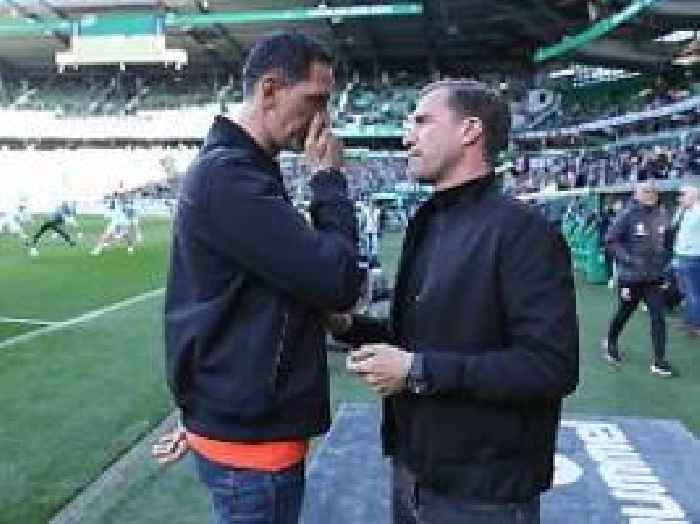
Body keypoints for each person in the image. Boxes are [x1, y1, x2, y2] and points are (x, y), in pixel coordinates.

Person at [332, 79, 579, 524]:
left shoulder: (522, 231)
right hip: (412, 471)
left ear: (470, 131)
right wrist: (349, 327)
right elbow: (423, 338)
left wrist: (417, 371)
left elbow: (551, 366)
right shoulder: (427, 222)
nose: (407, 138)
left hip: (483, 492)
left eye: (422, 122)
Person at [161, 32, 361, 524]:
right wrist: (329, 181)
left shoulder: (242, 168)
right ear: (269, 90)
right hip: (252, 443)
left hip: (242, 426)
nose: (323, 119)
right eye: (315, 100)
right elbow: (338, 281)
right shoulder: (230, 176)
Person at [602, 180, 676, 377]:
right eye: (646, 191)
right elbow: (610, 240)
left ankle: (659, 361)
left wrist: (665, 262)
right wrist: (629, 259)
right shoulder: (627, 214)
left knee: (658, 317)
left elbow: (668, 240)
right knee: (625, 312)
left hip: (653, 278)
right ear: (636, 194)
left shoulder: (662, 214)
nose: (651, 194)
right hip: (630, 278)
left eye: (653, 191)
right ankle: (610, 341)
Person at [674, 183, 700, 335]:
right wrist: (680, 210)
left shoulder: (698, 212)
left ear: (693, 196)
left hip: (693, 257)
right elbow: (673, 226)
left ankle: (696, 324)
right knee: (686, 292)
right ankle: (689, 320)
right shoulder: (686, 211)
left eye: (683, 194)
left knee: (693, 292)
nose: (679, 198)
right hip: (682, 256)